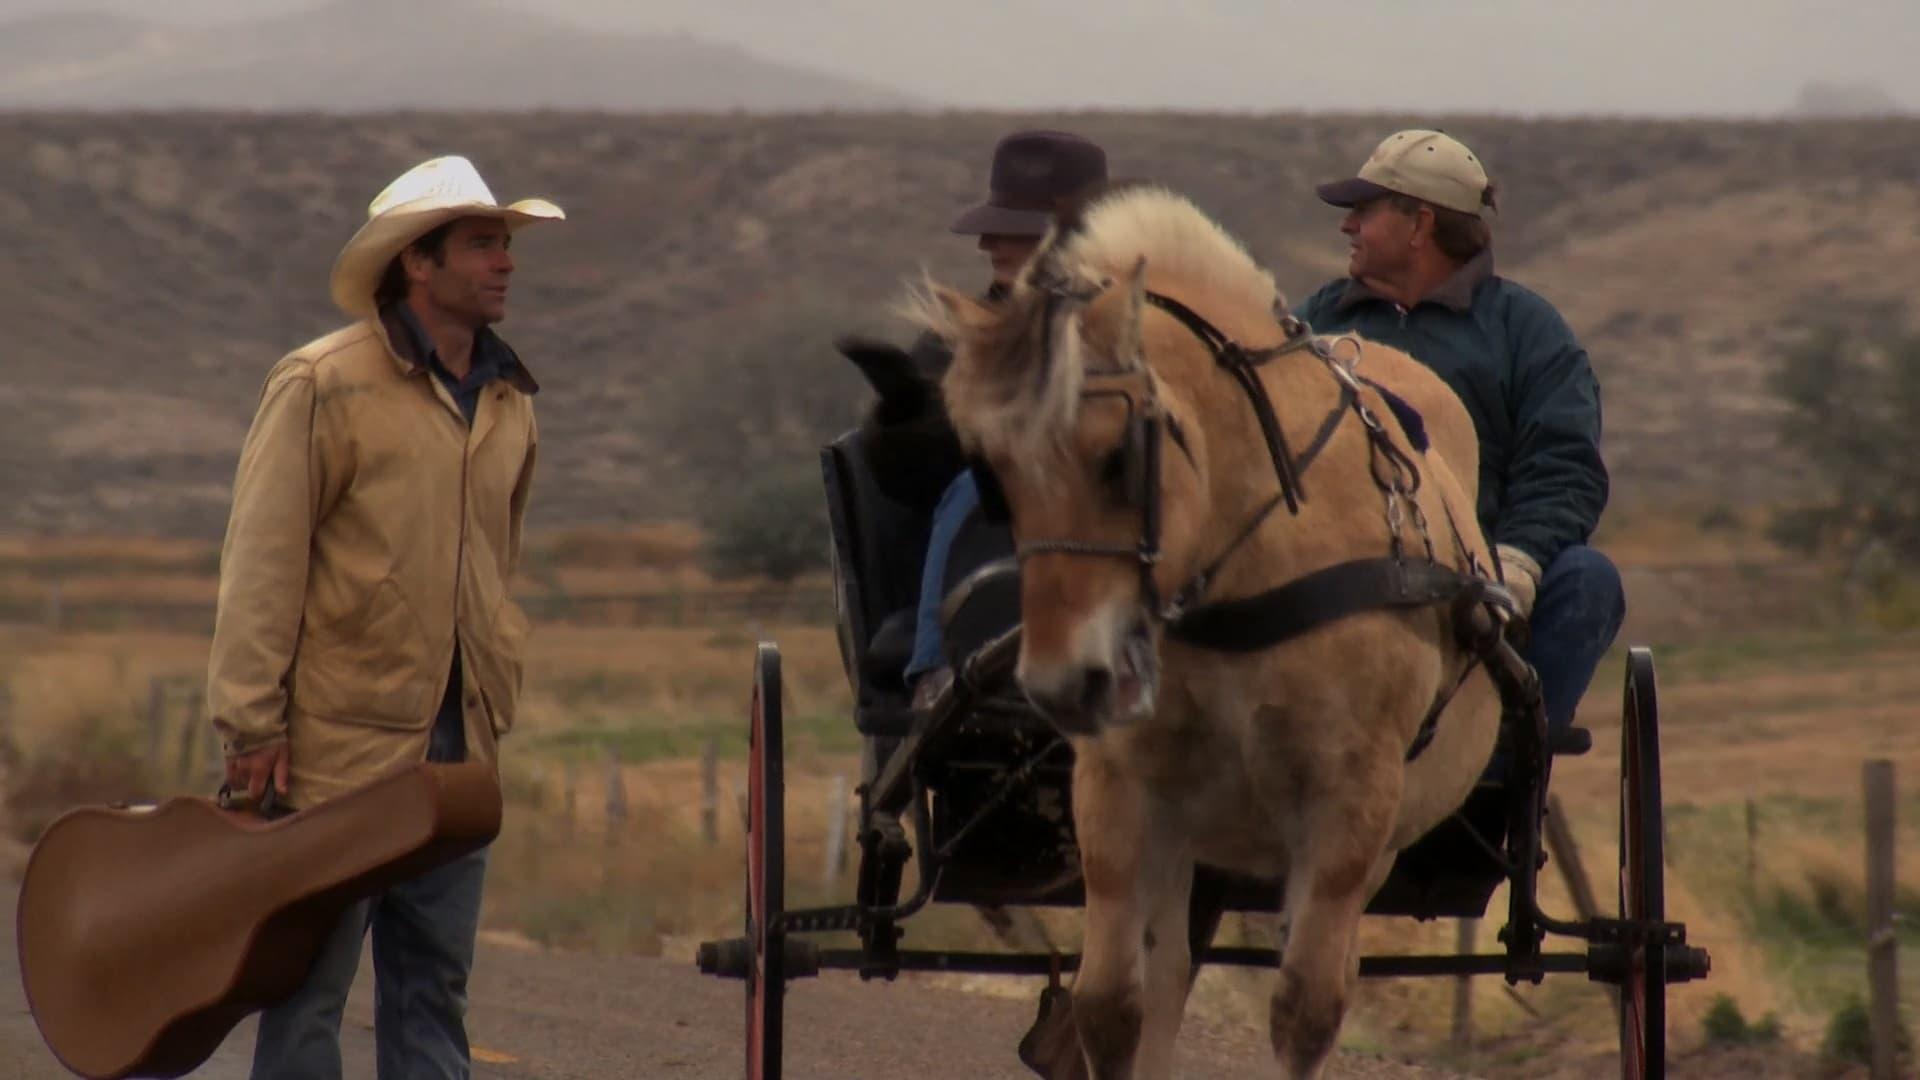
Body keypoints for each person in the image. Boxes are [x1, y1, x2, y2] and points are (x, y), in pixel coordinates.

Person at [206, 154, 562, 1079]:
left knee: (433, 990)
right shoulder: (322, 382)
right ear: (418, 260)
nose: (505, 263)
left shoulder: (510, 401)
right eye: (483, 244)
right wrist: (251, 723)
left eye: (506, 245)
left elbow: (498, 564)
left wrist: (495, 691)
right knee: (308, 992)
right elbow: (263, 560)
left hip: (460, 751)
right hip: (336, 753)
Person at [1295, 129, 1623, 741]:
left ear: (1419, 224)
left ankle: (1504, 753)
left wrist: (1517, 563)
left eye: (1363, 212)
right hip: (1342, 579)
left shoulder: (1526, 332)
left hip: (1481, 587)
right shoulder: (1315, 324)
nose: (1348, 228)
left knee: (1588, 581)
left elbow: (1565, 467)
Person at [885, 129, 1109, 708]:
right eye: (995, 226)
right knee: (970, 491)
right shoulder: (955, 336)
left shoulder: (1127, 326)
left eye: (1014, 229)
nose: (989, 243)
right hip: (995, 509)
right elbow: (911, 464)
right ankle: (934, 667)